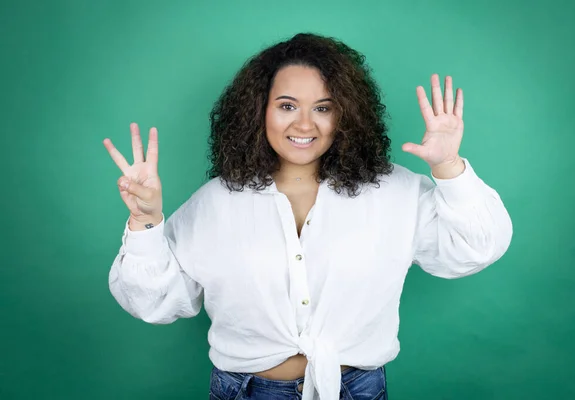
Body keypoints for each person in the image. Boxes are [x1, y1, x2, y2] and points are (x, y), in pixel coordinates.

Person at [103, 33, 513, 400]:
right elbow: (156, 302)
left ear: (346, 114)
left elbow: (477, 248)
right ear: (258, 111)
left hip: (357, 390)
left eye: (322, 107)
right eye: (286, 106)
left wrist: (449, 167)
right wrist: (146, 219)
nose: (304, 123)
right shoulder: (216, 201)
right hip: (244, 391)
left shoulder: (395, 191)